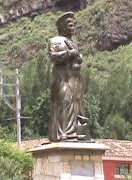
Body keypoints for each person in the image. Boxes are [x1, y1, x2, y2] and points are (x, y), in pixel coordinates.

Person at [48, 12, 90, 142]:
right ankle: (62, 133)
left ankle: (77, 133)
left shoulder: (74, 42)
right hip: (61, 77)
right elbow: (53, 56)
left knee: (76, 104)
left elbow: (78, 59)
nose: (72, 26)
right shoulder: (54, 41)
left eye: (73, 24)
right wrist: (70, 53)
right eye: (69, 24)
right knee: (63, 101)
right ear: (62, 26)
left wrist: (77, 56)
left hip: (75, 78)